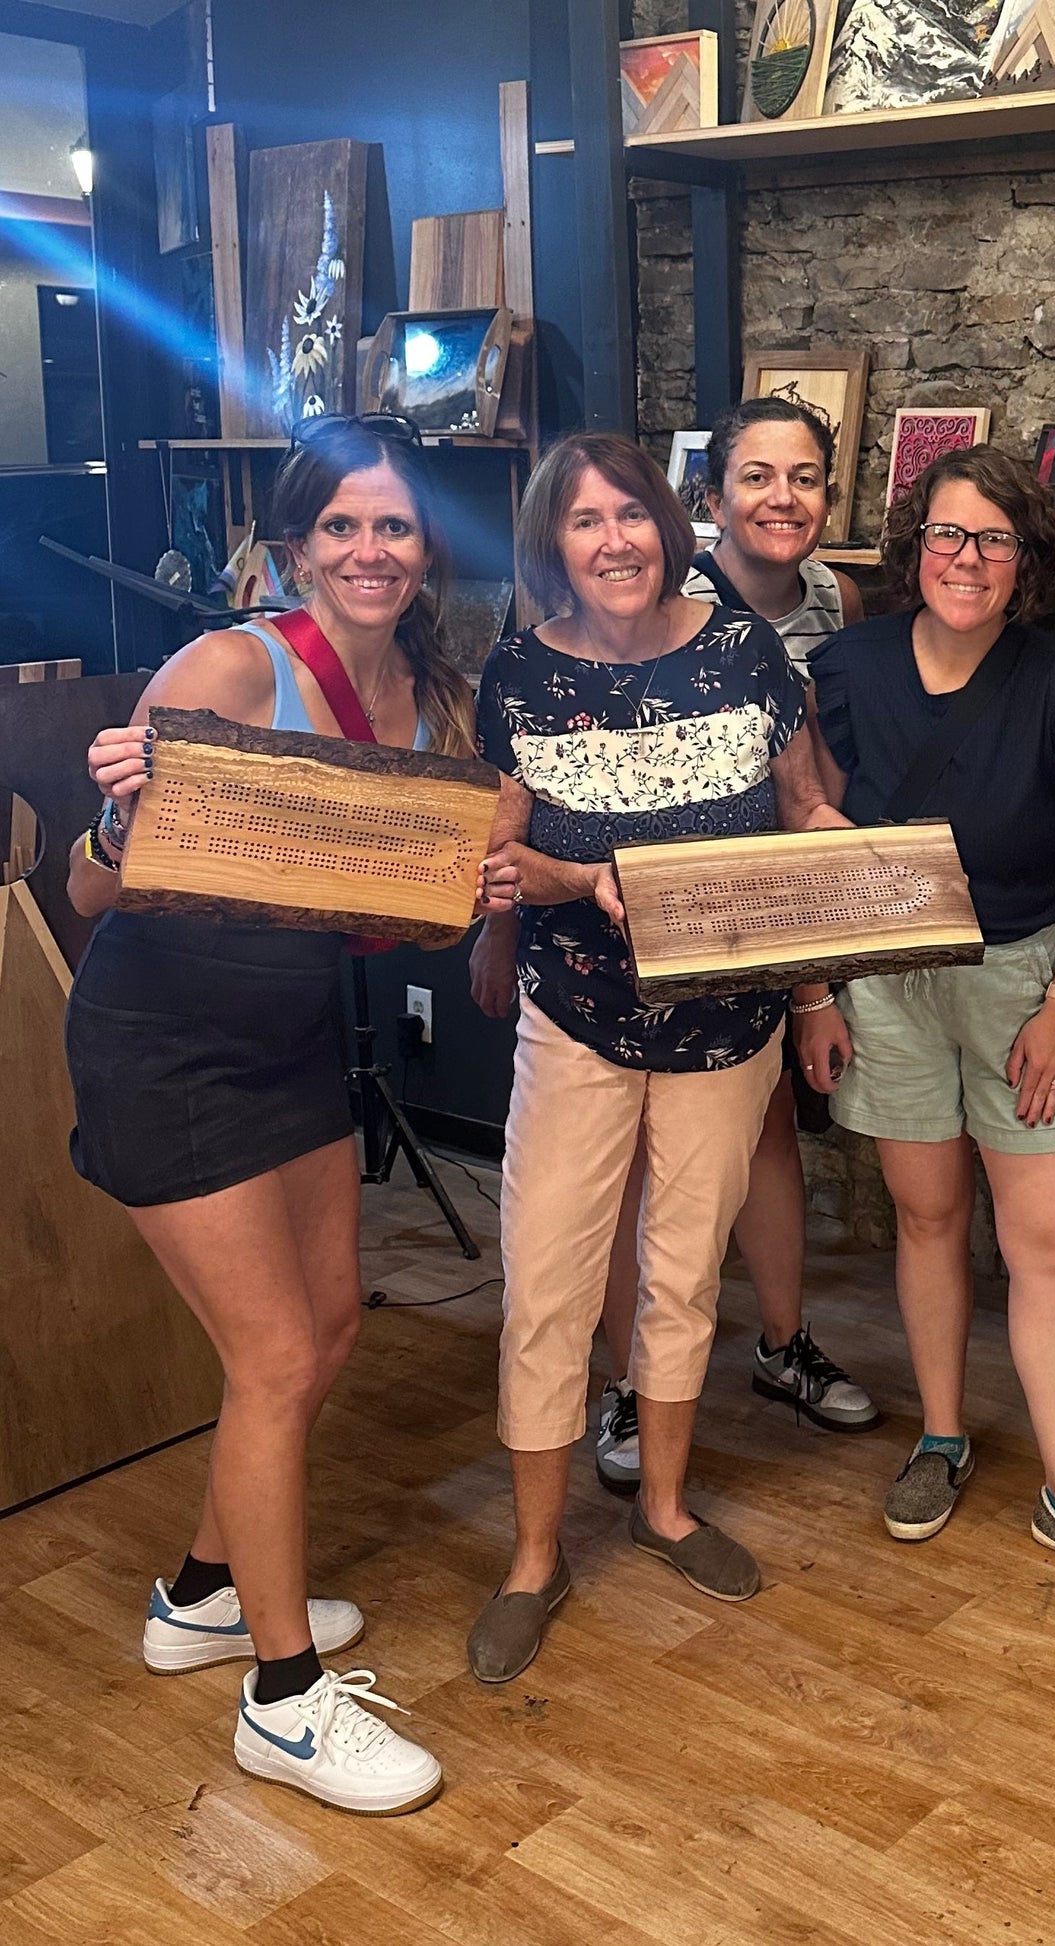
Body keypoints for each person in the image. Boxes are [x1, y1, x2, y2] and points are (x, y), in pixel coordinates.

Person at [65, 417, 472, 1815]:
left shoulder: (429, 688)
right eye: (342, 527)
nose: (370, 551)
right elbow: (85, 886)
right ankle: (283, 1700)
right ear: (294, 544)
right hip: (166, 1038)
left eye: (396, 526)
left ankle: (200, 1594)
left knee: (330, 1327)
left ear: (426, 549)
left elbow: (414, 877)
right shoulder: (238, 663)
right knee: (276, 1350)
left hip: (291, 1028)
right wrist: (120, 824)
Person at [466, 431, 849, 1684]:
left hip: (726, 1023)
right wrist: (583, 881)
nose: (614, 540)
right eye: (584, 523)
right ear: (553, 543)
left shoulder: (743, 650)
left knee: (683, 1275)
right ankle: (532, 1556)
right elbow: (498, 855)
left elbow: (801, 810)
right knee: (549, 1284)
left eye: (629, 514)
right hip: (573, 1012)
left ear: (667, 522)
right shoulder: (517, 673)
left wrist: (814, 963)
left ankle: (663, 1506)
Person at [797, 444, 1055, 1596]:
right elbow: (809, 825)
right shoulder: (844, 667)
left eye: (996, 540)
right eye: (948, 536)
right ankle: (941, 1436)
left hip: (1023, 973)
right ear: (915, 545)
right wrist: (817, 988)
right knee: (924, 1221)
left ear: (1028, 561)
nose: (968, 560)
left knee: (1048, 1245)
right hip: (890, 973)